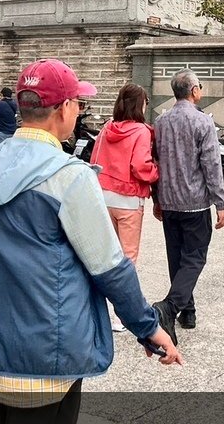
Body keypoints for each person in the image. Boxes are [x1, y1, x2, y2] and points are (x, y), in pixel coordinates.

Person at [0, 58, 181, 423]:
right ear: (65, 108)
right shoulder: (68, 177)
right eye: (78, 103)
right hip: (50, 361)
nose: (78, 110)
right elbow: (110, 269)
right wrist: (148, 328)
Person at [151, 69, 224, 343]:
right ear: (194, 91)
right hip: (194, 202)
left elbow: (155, 163)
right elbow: (211, 164)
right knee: (195, 257)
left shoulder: (161, 121)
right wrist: (220, 201)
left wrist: (157, 198)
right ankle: (170, 308)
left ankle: (188, 311)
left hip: (169, 200)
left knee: (177, 257)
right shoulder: (203, 122)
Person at [90, 83, 159, 332]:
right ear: (139, 104)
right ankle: (123, 315)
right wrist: (156, 172)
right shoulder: (141, 131)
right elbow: (141, 167)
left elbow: (94, 160)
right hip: (129, 201)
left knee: (106, 255)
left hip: (103, 196)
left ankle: (100, 310)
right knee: (127, 259)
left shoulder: (107, 127)